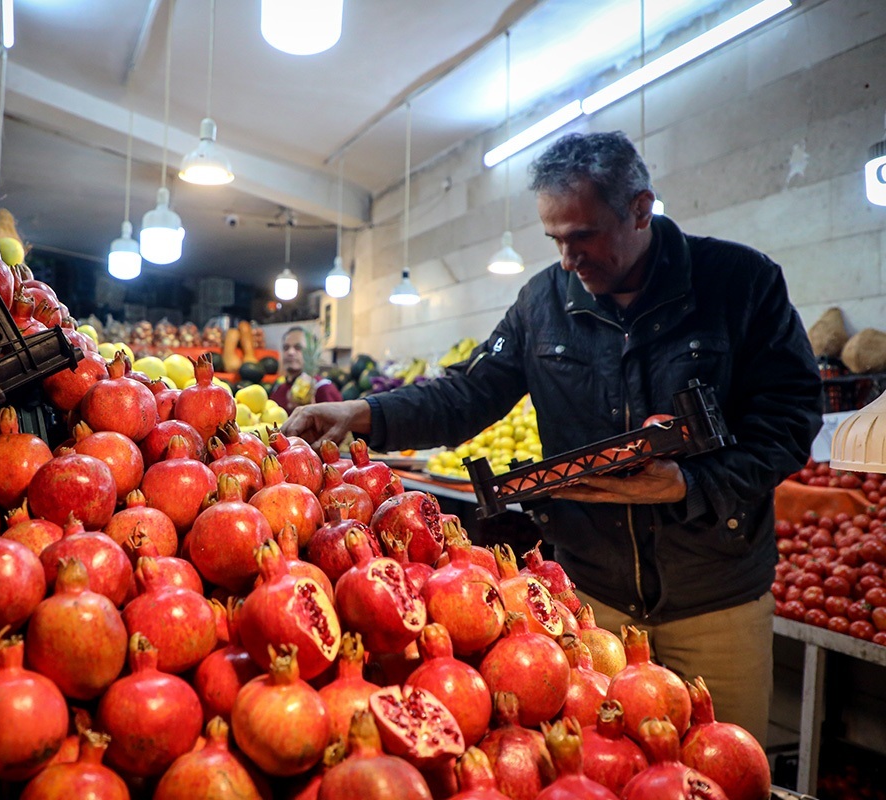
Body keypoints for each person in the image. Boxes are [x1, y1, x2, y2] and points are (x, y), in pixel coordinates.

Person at [283, 131, 822, 743]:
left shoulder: (740, 284)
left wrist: (689, 484)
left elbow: (792, 419)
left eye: (583, 236)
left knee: (723, 767)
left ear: (641, 209)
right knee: (598, 768)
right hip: (588, 600)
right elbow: (469, 392)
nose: (568, 259)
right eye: (555, 240)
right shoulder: (542, 302)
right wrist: (366, 414)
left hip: (717, 602)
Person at [269, 326, 343, 413]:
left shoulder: (323, 389)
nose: (290, 352)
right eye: (286, 348)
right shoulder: (278, 389)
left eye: (298, 347)